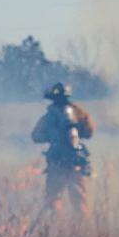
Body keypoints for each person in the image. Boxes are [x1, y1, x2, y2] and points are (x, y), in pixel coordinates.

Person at [30, 82, 94, 214]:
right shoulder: (80, 114)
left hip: (57, 163)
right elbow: (89, 132)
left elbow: (36, 136)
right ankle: (83, 230)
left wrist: (52, 137)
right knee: (79, 201)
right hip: (76, 163)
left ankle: (54, 229)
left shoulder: (49, 117)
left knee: (53, 199)